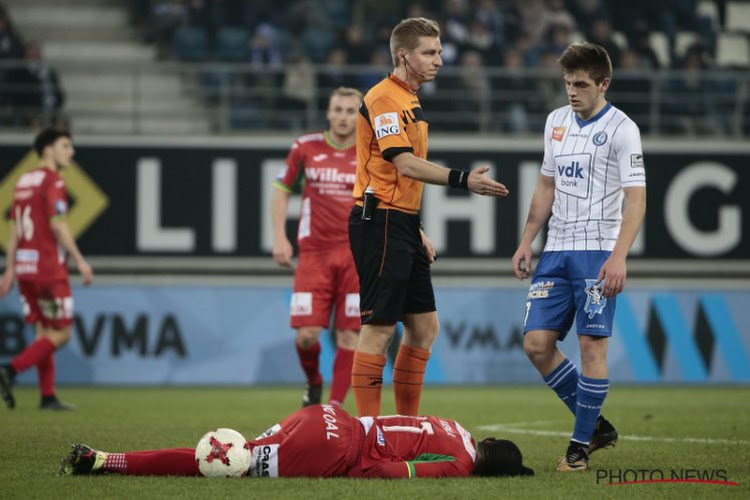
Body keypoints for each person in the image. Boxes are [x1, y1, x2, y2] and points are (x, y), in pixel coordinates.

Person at [348, 17, 509, 419]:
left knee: (423, 328)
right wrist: (462, 179)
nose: (439, 60)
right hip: (379, 221)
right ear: (404, 55)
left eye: (438, 52)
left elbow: (396, 174)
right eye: (429, 52)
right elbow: (403, 164)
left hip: (400, 222)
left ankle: (406, 425)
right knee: (380, 328)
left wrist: (416, 227)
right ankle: (368, 430)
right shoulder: (385, 98)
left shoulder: (408, 98)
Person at [511, 42, 646, 472]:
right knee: (536, 344)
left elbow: (637, 200)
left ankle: (578, 447)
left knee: (591, 346)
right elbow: (545, 186)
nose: (572, 91)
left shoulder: (623, 129)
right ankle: (597, 427)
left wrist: (618, 256)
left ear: (603, 83)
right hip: (556, 249)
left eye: (581, 84)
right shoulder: (555, 122)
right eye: (568, 83)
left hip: (596, 251)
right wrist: (526, 240)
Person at [58, 404, 535, 479]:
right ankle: (99, 460)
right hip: (332, 448)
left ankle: (102, 458)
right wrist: (353, 470)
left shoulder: (457, 428)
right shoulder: (460, 463)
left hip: (326, 416)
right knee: (229, 465)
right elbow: (397, 470)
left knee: (234, 454)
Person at [271, 87, 363, 407]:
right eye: (338, 109)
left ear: (360, 115)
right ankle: (314, 382)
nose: (343, 117)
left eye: (351, 111)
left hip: (357, 255)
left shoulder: (372, 152)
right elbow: (282, 190)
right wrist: (280, 237)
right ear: (328, 112)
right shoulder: (305, 146)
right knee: (307, 335)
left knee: (349, 336)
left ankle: (334, 408)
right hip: (315, 255)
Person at [0, 128, 93, 411]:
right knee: (61, 334)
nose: (71, 151)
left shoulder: (23, 181)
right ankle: (10, 370)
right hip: (49, 269)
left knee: (44, 333)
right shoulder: (53, 181)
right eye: (65, 145)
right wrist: (79, 259)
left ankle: (47, 396)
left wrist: (11, 269)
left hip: (27, 268)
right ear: (47, 150)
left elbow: (15, 229)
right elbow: (58, 223)